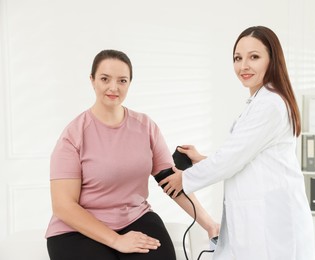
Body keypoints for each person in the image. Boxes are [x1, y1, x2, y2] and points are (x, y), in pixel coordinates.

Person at [45, 49, 219, 260]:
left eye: (122, 80)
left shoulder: (145, 126)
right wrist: (117, 240)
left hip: (135, 217)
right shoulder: (73, 135)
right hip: (77, 229)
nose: (113, 87)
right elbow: (63, 206)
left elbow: (170, 181)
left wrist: (210, 225)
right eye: (105, 79)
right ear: (92, 80)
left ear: (130, 83)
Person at [160, 26, 315, 259]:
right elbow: (246, 156)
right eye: (238, 58)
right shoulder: (259, 102)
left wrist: (185, 178)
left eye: (254, 57)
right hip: (258, 216)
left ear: (272, 60)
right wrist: (202, 159)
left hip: (272, 219)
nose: (244, 66)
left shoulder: (270, 104)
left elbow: (232, 159)